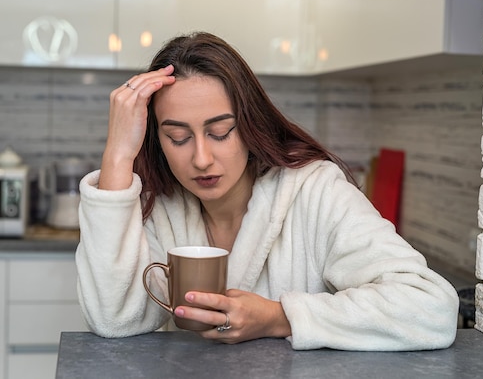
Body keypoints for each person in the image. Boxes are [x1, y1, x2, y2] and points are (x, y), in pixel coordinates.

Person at [75, 32, 459, 351]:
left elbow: (430, 308)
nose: (202, 158)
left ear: (249, 125)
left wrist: (279, 317)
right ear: (158, 140)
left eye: (220, 132)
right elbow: (114, 318)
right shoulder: (163, 206)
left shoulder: (315, 191)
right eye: (178, 137)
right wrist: (118, 155)